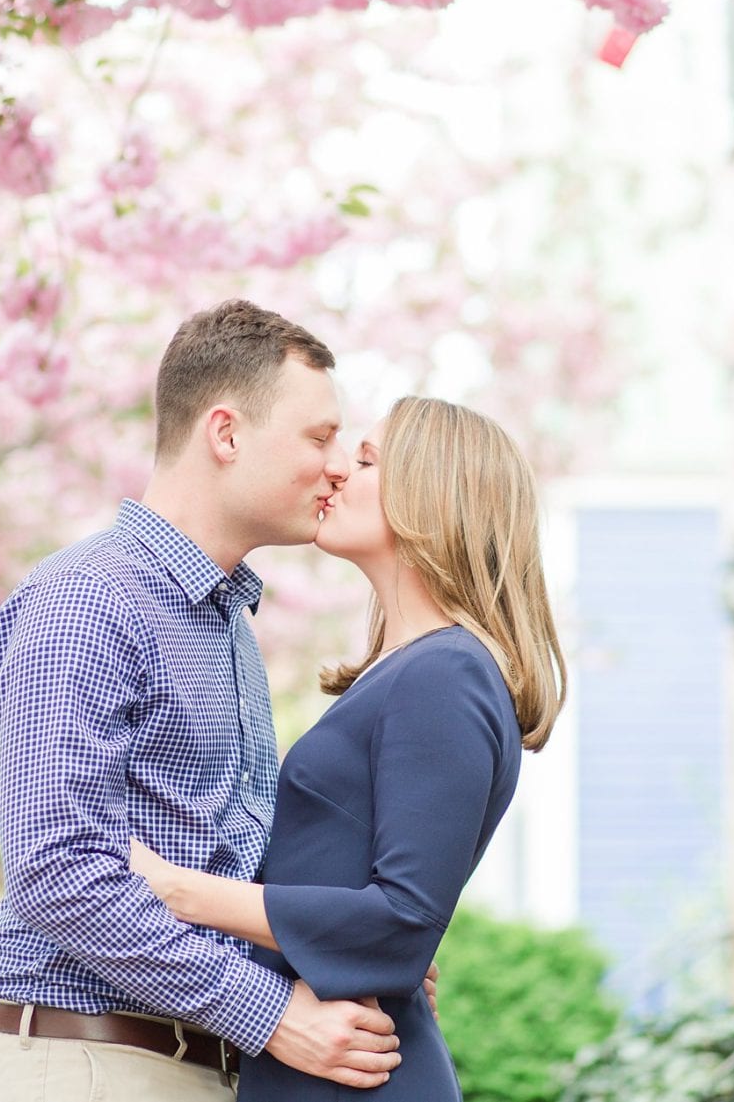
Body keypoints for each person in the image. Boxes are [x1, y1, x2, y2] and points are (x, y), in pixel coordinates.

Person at [0, 300, 409, 1102]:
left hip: (184, 1067)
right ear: (227, 434)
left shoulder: (223, 623)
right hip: (85, 1065)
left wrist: (354, 950)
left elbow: (225, 867)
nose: (340, 464)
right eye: (318, 436)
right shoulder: (87, 602)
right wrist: (272, 1013)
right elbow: (58, 873)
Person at [131, 394, 567, 1101]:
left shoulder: (445, 673)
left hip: (356, 1074)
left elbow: (401, 920)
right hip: (327, 1059)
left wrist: (181, 890)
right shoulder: (412, 671)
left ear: (429, 494)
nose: (336, 472)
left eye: (364, 459)